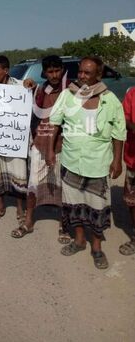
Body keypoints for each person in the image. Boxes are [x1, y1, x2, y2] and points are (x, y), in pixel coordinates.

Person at [47, 56, 125, 269]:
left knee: (97, 209)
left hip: (97, 164)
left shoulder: (110, 100)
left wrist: (117, 161)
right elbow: (54, 123)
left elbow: (119, 132)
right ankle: (79, 241)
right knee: (74, 206)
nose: (81, 76)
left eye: (87, 73)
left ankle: (97, 248)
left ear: (98, 75)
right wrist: (50, 151)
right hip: (71, 161)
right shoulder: (68, 95)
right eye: (80, 71)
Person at [11, 55, 70, 242]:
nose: (54, 75)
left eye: (57, 70)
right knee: (33, 184)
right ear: (44, 72)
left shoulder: (71, 90)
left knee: (63, 186)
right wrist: (28, 84)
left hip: (62, 146)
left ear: (62, 70)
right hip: (40, 143)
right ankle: (28, 221)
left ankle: (64, 225)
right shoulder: (40, 89)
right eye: (50, 71)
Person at [0, 55, 27, 222]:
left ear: (6, 70)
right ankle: (1, 205)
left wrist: (31, 85)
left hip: (15, 140)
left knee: (18, 172)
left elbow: (36, 96)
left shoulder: (20, 86)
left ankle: (20, 207)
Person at [119, 87, 135, 255]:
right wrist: (133, 127)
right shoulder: (132, 93)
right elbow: (123, 118)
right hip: (133, 159)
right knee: (132, 201)